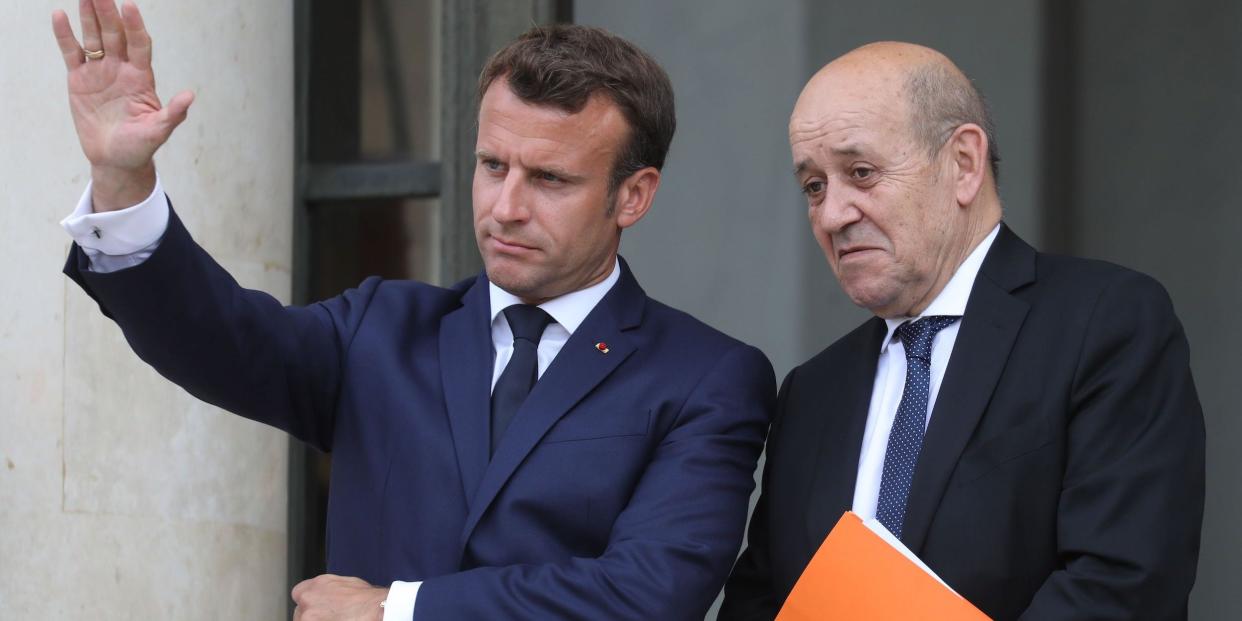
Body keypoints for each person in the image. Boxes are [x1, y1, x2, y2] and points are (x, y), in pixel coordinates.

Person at [52, 2, 774, 619]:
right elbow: (218, 338)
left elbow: (647, 595)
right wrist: (123, 182)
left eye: (550, 178)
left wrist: (397, 607)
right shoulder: (381, 327)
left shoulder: (706, 377)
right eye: (492, 165)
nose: (505, 207)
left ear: (633, 195)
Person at [720, 42, 1204, 620]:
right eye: (814, 186)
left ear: (964, 163)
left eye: (861, 173)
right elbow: (760, 600)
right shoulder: (811, 392)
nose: (831, 216)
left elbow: (1123, 584)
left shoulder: (1104, 323)